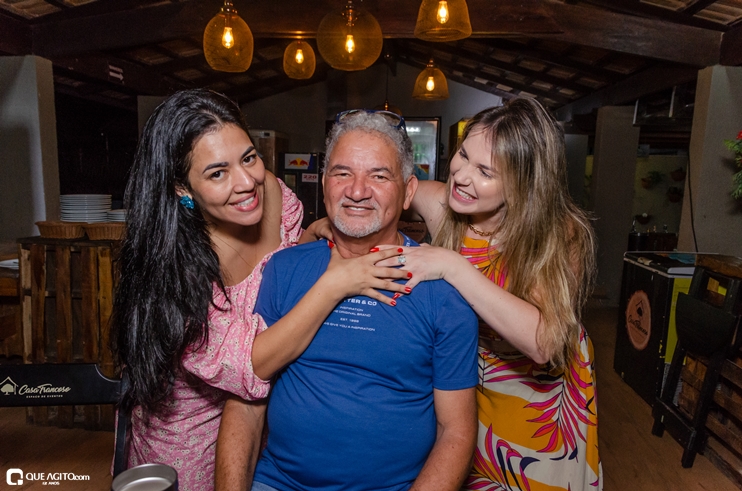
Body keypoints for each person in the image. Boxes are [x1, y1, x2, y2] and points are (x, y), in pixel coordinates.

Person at [110, 91, 411, 491]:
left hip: (264, 426)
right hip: (190, 438)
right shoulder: (173, 269)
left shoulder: (269, 192)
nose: (245, 182)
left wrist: (311, 235)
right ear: (183, 188)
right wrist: (336, 283)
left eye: (248, 157)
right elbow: (248, 367)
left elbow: (281, 271)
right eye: (217, 173)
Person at [216, 110, 480, 491]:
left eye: (379, 176)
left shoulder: (442, 291)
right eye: (342, 173)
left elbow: (456, 432)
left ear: (408, 192)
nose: (357, 191)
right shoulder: (283, 270)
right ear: (325, 185)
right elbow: (245, 404)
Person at [371, 98, 602, 490]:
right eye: (463, 155)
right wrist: (325, 229)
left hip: (539, 403)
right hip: (467, 387)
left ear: (524, 184)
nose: (461, 176)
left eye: (485, 172)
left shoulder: (559, 233)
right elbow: (379, 194)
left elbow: (544, 342)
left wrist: (454, 266)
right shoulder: (443, 206)